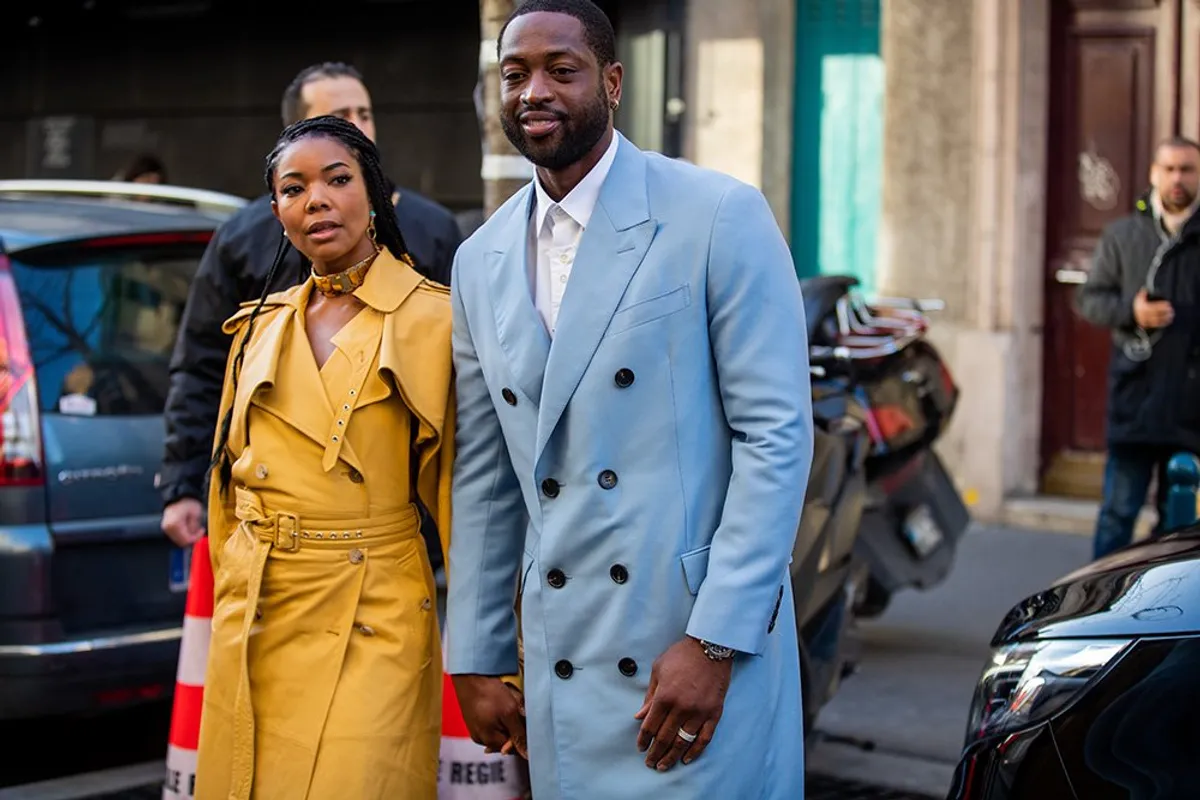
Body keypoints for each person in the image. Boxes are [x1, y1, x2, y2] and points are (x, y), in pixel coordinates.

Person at [444, 1, 813, 797]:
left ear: (612, 83)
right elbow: (484, 471)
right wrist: (473, 652)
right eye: (515, 74)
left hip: (689, 646)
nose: (533, 90)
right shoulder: (479, 261)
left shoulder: (718, 215)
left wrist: (714, 641)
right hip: (563, 656)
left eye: (560, 70)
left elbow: (775, 439)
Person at [194, 116, 453, 800]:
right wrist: (234, 586)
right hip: (257, 611)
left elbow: (466, 498)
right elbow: (226, 482)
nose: (317, 199)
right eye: (293, 188)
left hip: (375, 613)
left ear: (375, 194)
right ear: (277, 214)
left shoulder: (435, 321)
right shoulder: (258, 325)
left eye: (338, 179)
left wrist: (500, 660)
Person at [159, 62, 462, 566]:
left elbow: (460, 425)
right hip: (269, 552)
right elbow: (201, 367)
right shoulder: (244, 243)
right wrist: (183, 480)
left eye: (364, 112)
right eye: (339, 114)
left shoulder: (431, 236)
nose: (358, 124)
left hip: (392, 543)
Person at [1077, 137, 1200, 559]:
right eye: (1170, 169)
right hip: (1135, 401)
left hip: (1190, 407)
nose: (1178, 179)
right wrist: (1132, 312)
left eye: (1188, 169)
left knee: (1180, 528)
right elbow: (1090, 300)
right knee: (1117, 514)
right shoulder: (1123, 235)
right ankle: (1096, 615)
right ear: (1153, 174)